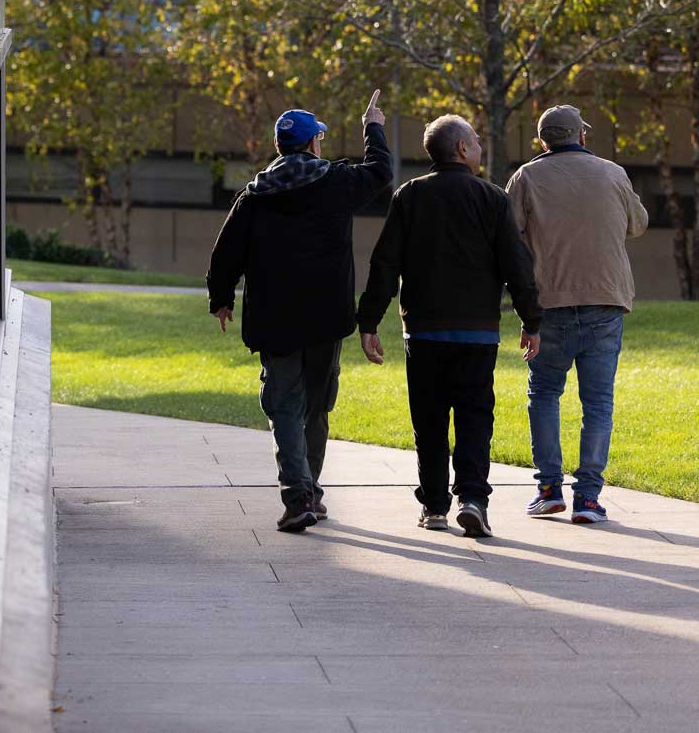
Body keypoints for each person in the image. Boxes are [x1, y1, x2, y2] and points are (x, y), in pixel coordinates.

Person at [207, 91, 395, 534]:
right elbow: (382, 172)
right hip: (326, 318)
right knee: (315, 405)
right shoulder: (335, 182)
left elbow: (225, 253)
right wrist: (373, 125)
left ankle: (298, 496)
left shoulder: (255, 195)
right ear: (314, 144)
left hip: (274, 321)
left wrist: (222, 299)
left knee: (285, 407)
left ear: (279, 147)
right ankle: (310, 492)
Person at [357, 114, 541, 538]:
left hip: (423, 333)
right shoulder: (493, 199)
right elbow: (517, 266)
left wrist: (369, 321)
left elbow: (385, 264)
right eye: (475, 140)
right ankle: (474, 499)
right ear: (461, 149)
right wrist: (532, 320)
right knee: (476, 418)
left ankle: (435, 506)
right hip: (477, 334)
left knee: (430, 421)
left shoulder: (409, 196)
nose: (479, 146)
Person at [505, 104, 649, 524]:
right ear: (582, 136)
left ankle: (549, 490)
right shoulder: (613, 173)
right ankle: (588, 498)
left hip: (548, 304)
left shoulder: (526, 177)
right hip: (606, 301)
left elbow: (508, 235)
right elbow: (637, 224)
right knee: (598, 403)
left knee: (544, 394)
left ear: (543, 141)